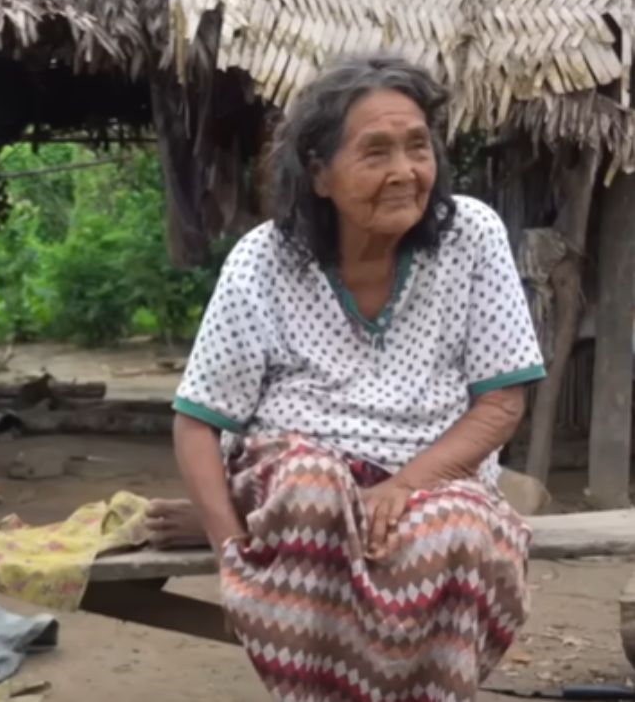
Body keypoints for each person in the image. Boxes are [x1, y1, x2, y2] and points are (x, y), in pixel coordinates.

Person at [148, 56, 544, 700]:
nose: (405, 172)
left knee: (461, 536)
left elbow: (502, 400)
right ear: (317, 171)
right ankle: (286, 538)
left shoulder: (470, 236)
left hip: (433, 473)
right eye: (376, 152)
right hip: (296, 465)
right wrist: (229, 552)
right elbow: (198, 421)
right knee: (310, 494)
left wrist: (403, 487)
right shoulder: (265, 260)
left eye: (418, 147)